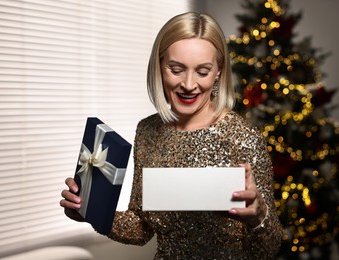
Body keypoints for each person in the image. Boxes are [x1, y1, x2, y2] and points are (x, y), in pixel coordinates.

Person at [60, 12, 282, 259]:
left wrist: (259, 216)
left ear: (218, 71)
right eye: (176, 69)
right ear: (160, 65)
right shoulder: (147, 131)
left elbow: (269, 249)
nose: (188, 84)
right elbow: (141, 228)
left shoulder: (244, 138)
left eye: (202, 71)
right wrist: (90, 210)